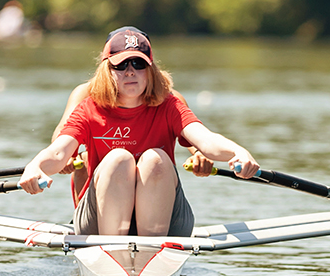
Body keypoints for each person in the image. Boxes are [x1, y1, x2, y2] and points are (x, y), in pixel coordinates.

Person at [19, 26, 259, 236]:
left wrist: (238, 152)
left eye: (138, 63)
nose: (130, 71)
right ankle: (112, 250)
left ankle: (152, 250)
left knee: (155, 159)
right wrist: (35, 166)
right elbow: (59, 151)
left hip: (164, 217)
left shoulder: (170, 105)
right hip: (101, 218)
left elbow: (206, 140)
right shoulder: (89, 107)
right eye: (121, 64)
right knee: (118, 159)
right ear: (107, 71)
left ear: (151, 69)